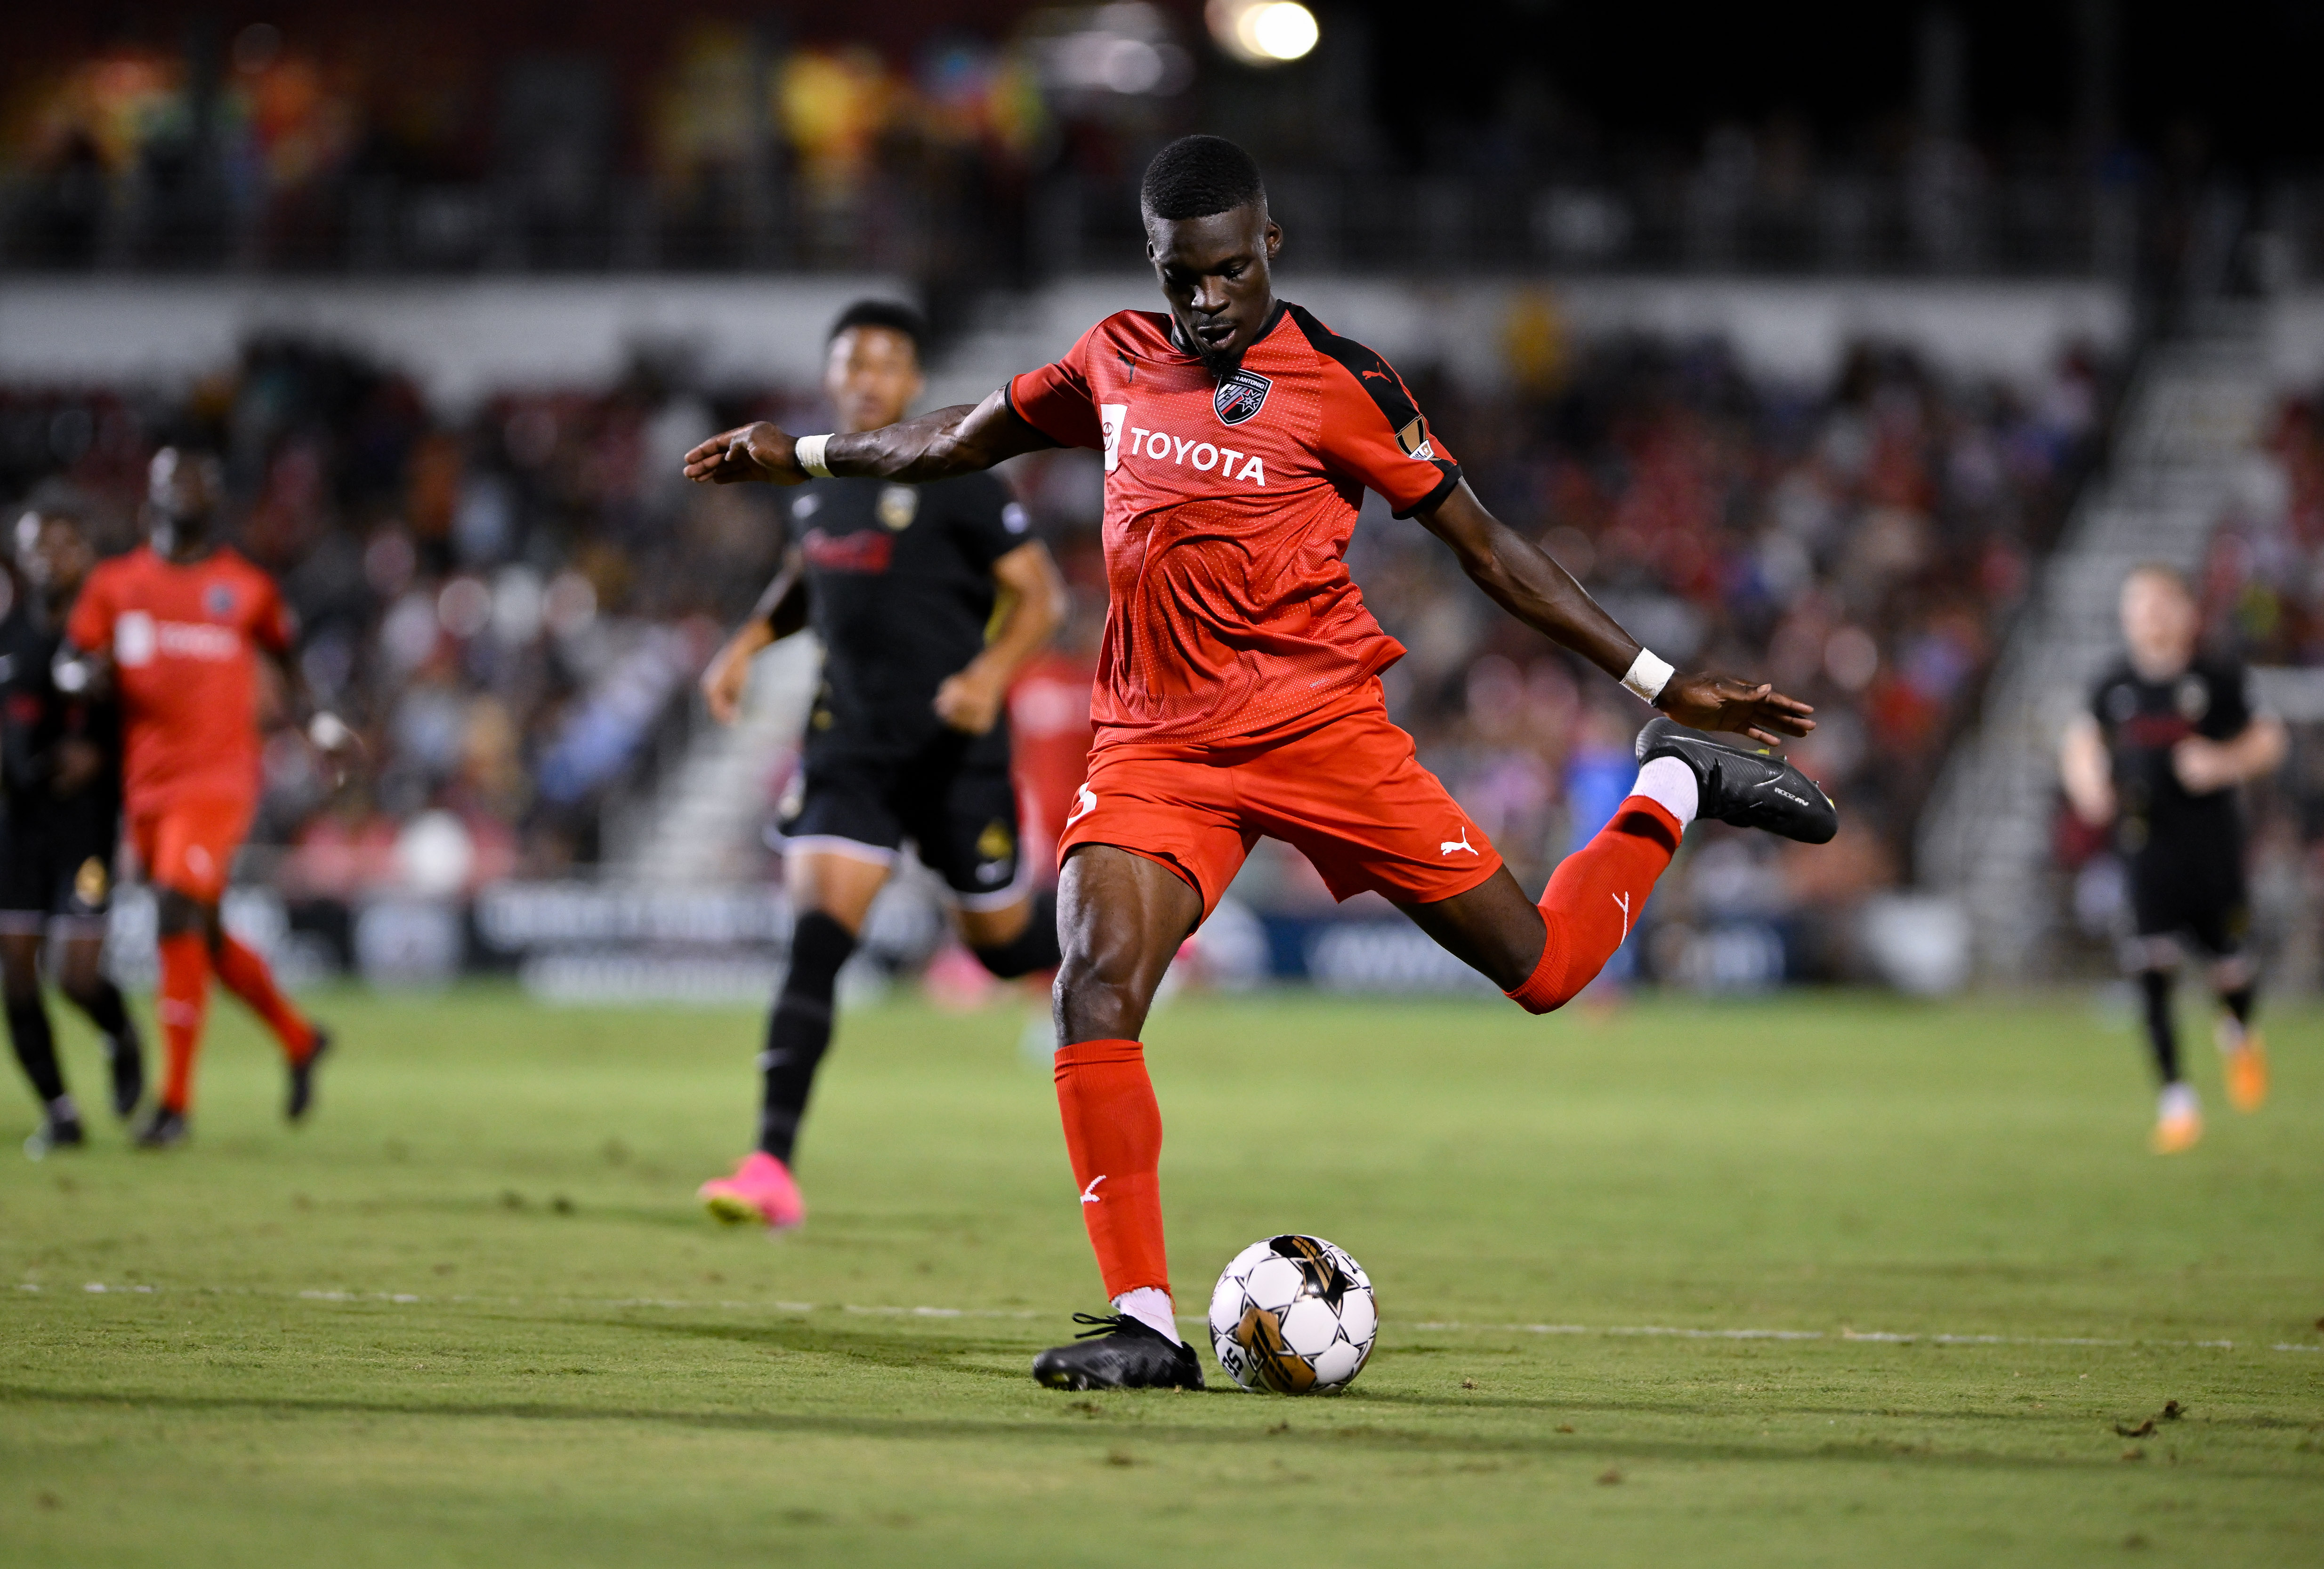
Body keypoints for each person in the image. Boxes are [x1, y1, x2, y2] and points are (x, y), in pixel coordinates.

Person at [684, 136, 1834, 1389]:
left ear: (1270, 245)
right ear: (1156, 263)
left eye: (1230, 271)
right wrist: (796, 454)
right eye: (1185, 277)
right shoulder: (1114, 356)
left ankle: (1670, 782)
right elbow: (955, 437)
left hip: (1319, 731)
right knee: (1093, 984)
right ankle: (1144, 1321)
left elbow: (1490, 549)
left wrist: (1665, 683)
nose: (1207, 300)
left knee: (1549, 969)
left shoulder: (1344, 378)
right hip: (1156, 744)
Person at [694, 300, 1071, 1229]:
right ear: (832, 374)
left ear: (911, 382)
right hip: (848, 745)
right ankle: (769, 1165)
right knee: (817, 939)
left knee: (1003, 948)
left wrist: (988, 674)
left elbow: (1041, 598)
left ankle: (1104, 955)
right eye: (852, 361)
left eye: (886, 363)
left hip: (955, 750)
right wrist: (746, 641)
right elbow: (806, 574)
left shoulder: (962, 473)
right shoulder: (816, 480)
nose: (867, 377)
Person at [63, 447, 348, 1149]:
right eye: (173, 479)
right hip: (147, 784)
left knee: (174, 907)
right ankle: (299, 1037)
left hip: (218, 781)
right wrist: (78, 678)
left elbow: (288, 664)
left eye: (198, 481)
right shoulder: (115, 583)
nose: (185, 490)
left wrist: (318, 724)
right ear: (151, 495)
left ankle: (176, 1106)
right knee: (203, 932)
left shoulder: (245, 588)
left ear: (212, 500)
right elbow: (74, 656)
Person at [2060, 563, 2284, 1154]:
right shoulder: (2113, 684)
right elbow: (2080, 741)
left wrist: (2222, 762)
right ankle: (2176, 1101)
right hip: (2144, 847)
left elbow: (2268, 738)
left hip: (2211, 850)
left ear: (2185, 612)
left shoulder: (2215, 676)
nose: (2149, 616)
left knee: (2228, 967)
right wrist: (2088, 784)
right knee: (2150, 969)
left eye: (2160, 603)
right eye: (2137, 605)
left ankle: (2238, 1032)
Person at [0, 502, 144, 1157]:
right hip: (17, 831)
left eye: (64, 544)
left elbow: (150, 719)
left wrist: (107, 754)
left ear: (84, 556)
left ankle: (119, 1031)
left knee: (75, 975)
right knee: (16, 969)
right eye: (37, 546)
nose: (50, 557)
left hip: (85, 833)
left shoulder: (113, 642)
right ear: (20, 558)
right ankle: (60, 1112)